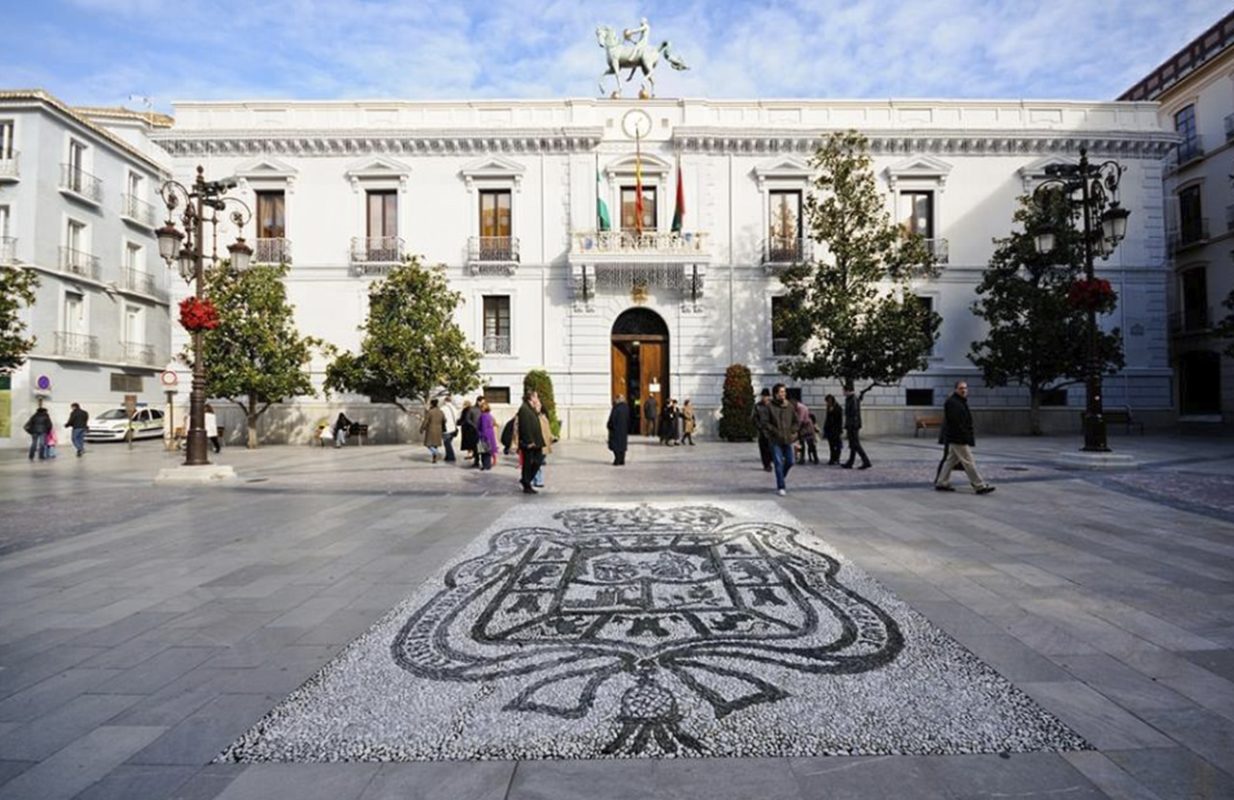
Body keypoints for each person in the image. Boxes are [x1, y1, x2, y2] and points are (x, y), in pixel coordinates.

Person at [935, 380, 996, 495]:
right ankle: (979, 485)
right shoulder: (953, 402)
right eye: (961, 388)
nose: (964, 390)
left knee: (950, 461)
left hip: (957, 437)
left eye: (965, 388)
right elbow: (955, 422)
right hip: (958, 437)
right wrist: (964, 436)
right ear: (956, 389)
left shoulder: (959, 401)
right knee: (969, 461)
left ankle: (941, 482)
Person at [767, 383, 801, 496]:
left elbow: (796, 421)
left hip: (788, 439)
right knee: (778, 463)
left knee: (791, 461)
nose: (784, 394)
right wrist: (773, 431)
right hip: (775, 439)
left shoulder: (789, 406)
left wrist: (793, 431)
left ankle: (781, 476)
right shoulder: (770, 406)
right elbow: (766, 423)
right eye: (781, 392)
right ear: (776, 394)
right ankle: (781, 486)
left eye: (784, 392)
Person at [516, 390, 546, 494]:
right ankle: (526, 484)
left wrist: (537, 410)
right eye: (536, 397)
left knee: (538, 460)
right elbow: (524, 426)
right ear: (531, 398)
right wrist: (528, 441)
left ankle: (526, 479)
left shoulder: (531, 408)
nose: (537, 399)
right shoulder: (524, 409)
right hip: (530, 442)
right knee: (528, 463)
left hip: (537, 441)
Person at [842, 383, 872, 470]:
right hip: (852, 424)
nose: (843, 392)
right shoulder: (850, 399)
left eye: (844, 391)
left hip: (853, 425)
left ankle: (866, 461)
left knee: (855, 444)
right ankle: (850, 462)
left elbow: (853, 414)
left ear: (848, 390)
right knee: (852, 444)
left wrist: (851, 425)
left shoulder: (853, 399)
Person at [752, 388, 773, 472]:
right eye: (764, 396)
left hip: (771, 430)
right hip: (762, 431)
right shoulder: (758, 406)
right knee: (763, 448)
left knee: (771, 448)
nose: (765, 398)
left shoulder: (772, 405)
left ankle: (771, 461)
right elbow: (754, 418)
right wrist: (759, 426)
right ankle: (766, 465)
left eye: (767, 396)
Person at [532, 405, 553, 488]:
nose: (538, 406)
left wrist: (551, 437)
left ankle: (537, 480)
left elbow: (547, 430)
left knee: (538, 462)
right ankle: (533, 479)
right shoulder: (530, 416)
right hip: (534, 442)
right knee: (532, 462)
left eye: (539, 405)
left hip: (542, 443)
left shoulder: (543, 417)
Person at [420, 398, 446, 463]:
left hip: (431, 429)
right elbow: (444, 420)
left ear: (431, 404)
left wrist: (422, 428)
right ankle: (434, 458)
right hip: (439, 430)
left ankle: (436, 453)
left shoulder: (430, 412)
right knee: (435, 445)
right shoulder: (441, 412)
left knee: (428, 444)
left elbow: (426, 421)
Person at [607, 394, 630, 465]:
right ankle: (622, 460)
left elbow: (612, 419)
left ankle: (617, 460)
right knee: (622, 446)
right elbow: (628, 419)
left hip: (616, 430)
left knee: (616, 446)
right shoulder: (626, 408)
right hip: (623, 430)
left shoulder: (616, 408)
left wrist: (609, 426)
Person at [476, 399, 498, 471]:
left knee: (484, 452)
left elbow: (483, 427)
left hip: (484, 436)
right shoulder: (489, 415)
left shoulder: (483, 416)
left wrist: (482, 435)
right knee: (488, 452)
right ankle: (487, 465)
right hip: (490, 435)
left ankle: (486, 465)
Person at [823, 395, 843, 465]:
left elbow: (839, 420)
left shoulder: (838, 408)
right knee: (831, 445)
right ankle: (832, 459)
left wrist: (839, 430)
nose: (827, 403)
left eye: (827, 401)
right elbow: (827, 419)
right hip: (830, 429)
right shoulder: (828, 408)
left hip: (836, 430)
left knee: (837, 445)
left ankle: (837, 458)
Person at [440, 395, 459, 463]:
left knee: (447, 443)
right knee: (448, 442)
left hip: (446, 428)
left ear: (445, 401)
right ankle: (448, 456)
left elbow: (441, 418)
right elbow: (457, 418)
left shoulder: (443, 408)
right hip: (453, 428)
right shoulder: (454, 408)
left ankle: (451, 456)